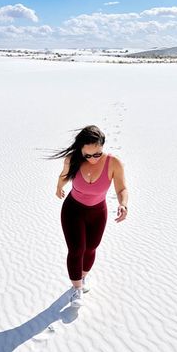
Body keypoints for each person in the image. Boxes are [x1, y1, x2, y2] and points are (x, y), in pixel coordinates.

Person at [47, 125, 128, 308]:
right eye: (87, 155)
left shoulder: (113, 163)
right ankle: (76, 289)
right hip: (73, 210)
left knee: (91, 247)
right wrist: (59, 186)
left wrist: (123, 204)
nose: (92, 159)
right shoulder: (72, 160)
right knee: (76, 249)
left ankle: (83, 278)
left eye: (97, 154)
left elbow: (122, 189)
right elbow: (63, 176)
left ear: (102, 147)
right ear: (81, 150)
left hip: (97, 212)